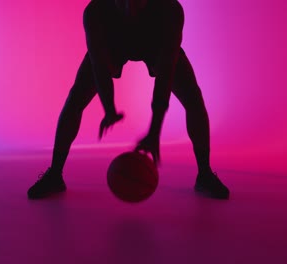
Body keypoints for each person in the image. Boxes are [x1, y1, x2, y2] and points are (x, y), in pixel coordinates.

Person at [27, 0, 229, 199]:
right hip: (113, 45)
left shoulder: (170, 10)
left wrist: (155, 130)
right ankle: (55, 174)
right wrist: (109, 108)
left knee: (193, 99)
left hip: (156, 45)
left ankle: (204, 174)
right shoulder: (95, 11)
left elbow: (166, 74)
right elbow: (99, 66)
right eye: (122, 2)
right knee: (75, 98)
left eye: (136, 3)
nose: (129, 9)